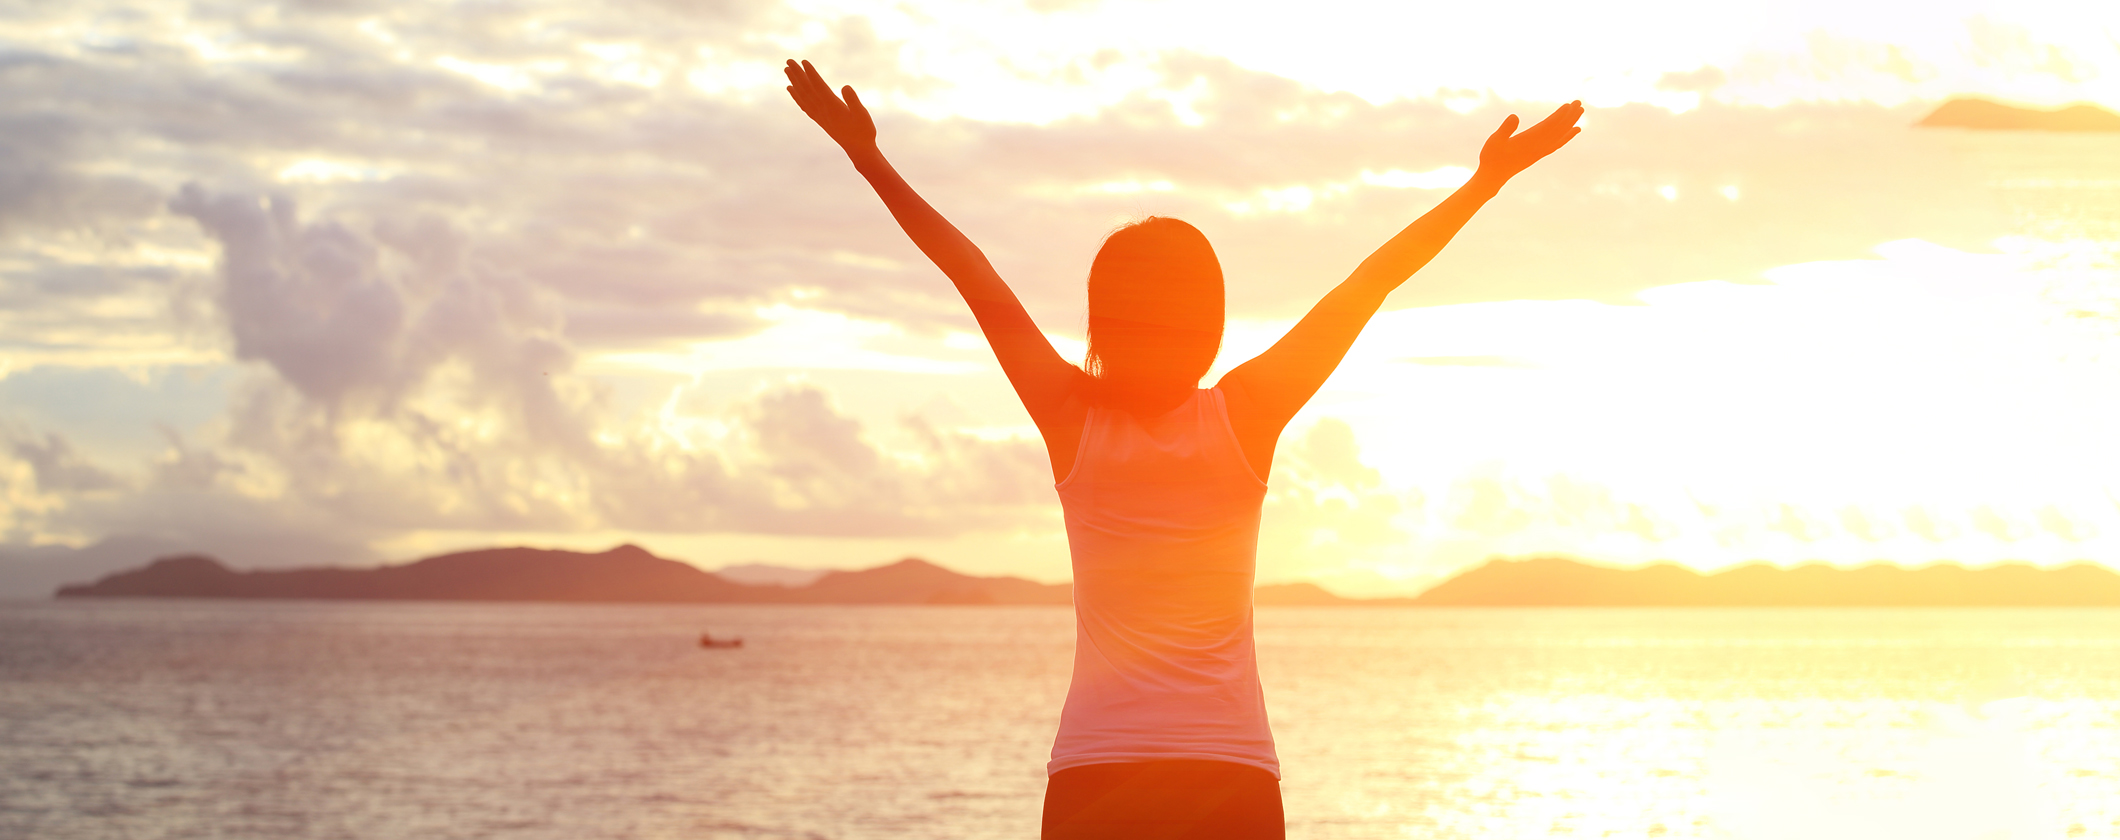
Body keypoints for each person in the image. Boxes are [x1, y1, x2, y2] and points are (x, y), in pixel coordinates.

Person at [784, 58, 1582, 840]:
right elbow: (1371, 283)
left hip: (1097, 776)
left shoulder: (1071, 417)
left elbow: (973, 275)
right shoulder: (1246, 414)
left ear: (1102, 324)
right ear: (1210, 329)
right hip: (1227, 776)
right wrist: (1483, 185)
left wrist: (869, 159)